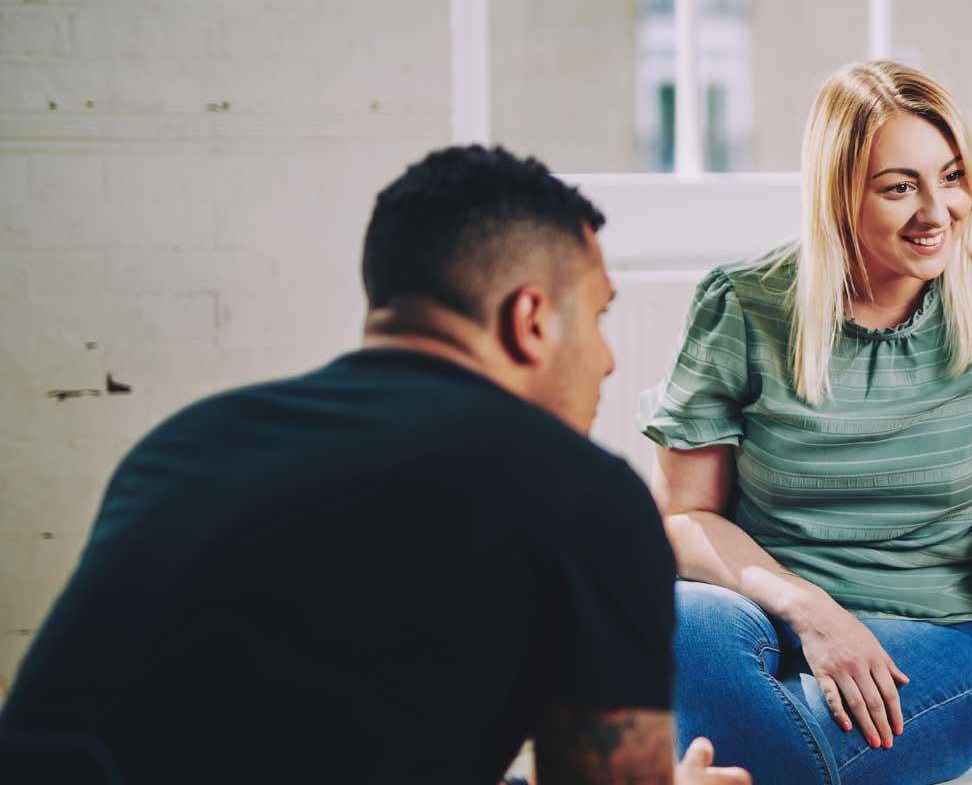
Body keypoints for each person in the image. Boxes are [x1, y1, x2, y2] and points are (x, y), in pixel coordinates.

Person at [0, 146, 745, 785]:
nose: (610, 358)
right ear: (531, 320)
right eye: (599, 316)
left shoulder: (185, 444)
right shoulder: (586, 496)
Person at [646, 61, 972, 785]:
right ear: (838, 195)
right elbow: (685, 519)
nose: (938, 212)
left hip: (940, 637)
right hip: (765, 610)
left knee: (759, 748)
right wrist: (812, 611)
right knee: (680, 625)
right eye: (900, 187)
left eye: (953, 176)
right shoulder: (746, 306)